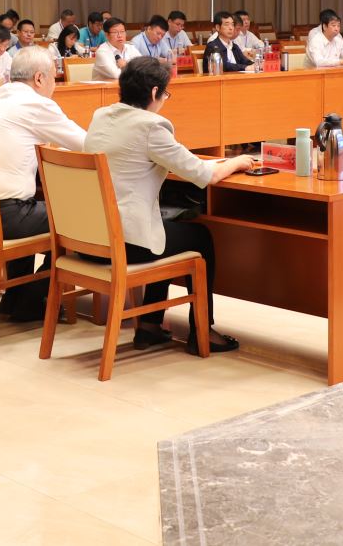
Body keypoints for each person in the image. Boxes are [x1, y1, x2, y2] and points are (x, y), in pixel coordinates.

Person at [85, 60, 255, 352]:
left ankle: (150, 326)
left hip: (89, 240)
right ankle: (202, 331)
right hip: (123, 243)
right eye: (165, 94)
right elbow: (205, 175)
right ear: (154, 92)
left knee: (163, 229)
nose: (164, 99)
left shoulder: (101, 116)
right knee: (199, 236)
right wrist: (238, 161)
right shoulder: (151, 126)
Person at [0, 48, 85, 319]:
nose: (54, 84)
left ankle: (16, 299)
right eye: (54, 77)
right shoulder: (35, 103)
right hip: (4, 215)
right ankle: (32, 297)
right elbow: (86, 144)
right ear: (39, 78)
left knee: (30, 201)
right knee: (84, 219)